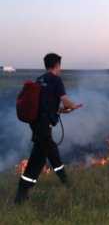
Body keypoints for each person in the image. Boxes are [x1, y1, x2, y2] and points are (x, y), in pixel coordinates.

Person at [15, 53, 82, 204]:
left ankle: (66, 182)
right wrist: (73, 106)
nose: (61, 69)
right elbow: (65, 101)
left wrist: (60, 110)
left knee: (53, 153)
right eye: (60, 65)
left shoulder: (40, 80)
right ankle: (21, 193)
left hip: (38, 124)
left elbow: (46, 105)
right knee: (37, 160)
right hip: (44, 126)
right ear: (57, 65)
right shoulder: (56, 80)